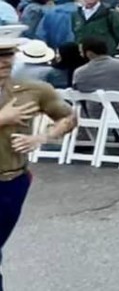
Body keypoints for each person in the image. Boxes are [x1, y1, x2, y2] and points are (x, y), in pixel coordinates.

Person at [0, 30, 77, 282]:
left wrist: (41, 137)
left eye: (8, 55)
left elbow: (68, 117)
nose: (5, 62)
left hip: (9, 182)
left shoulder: (33, 90)